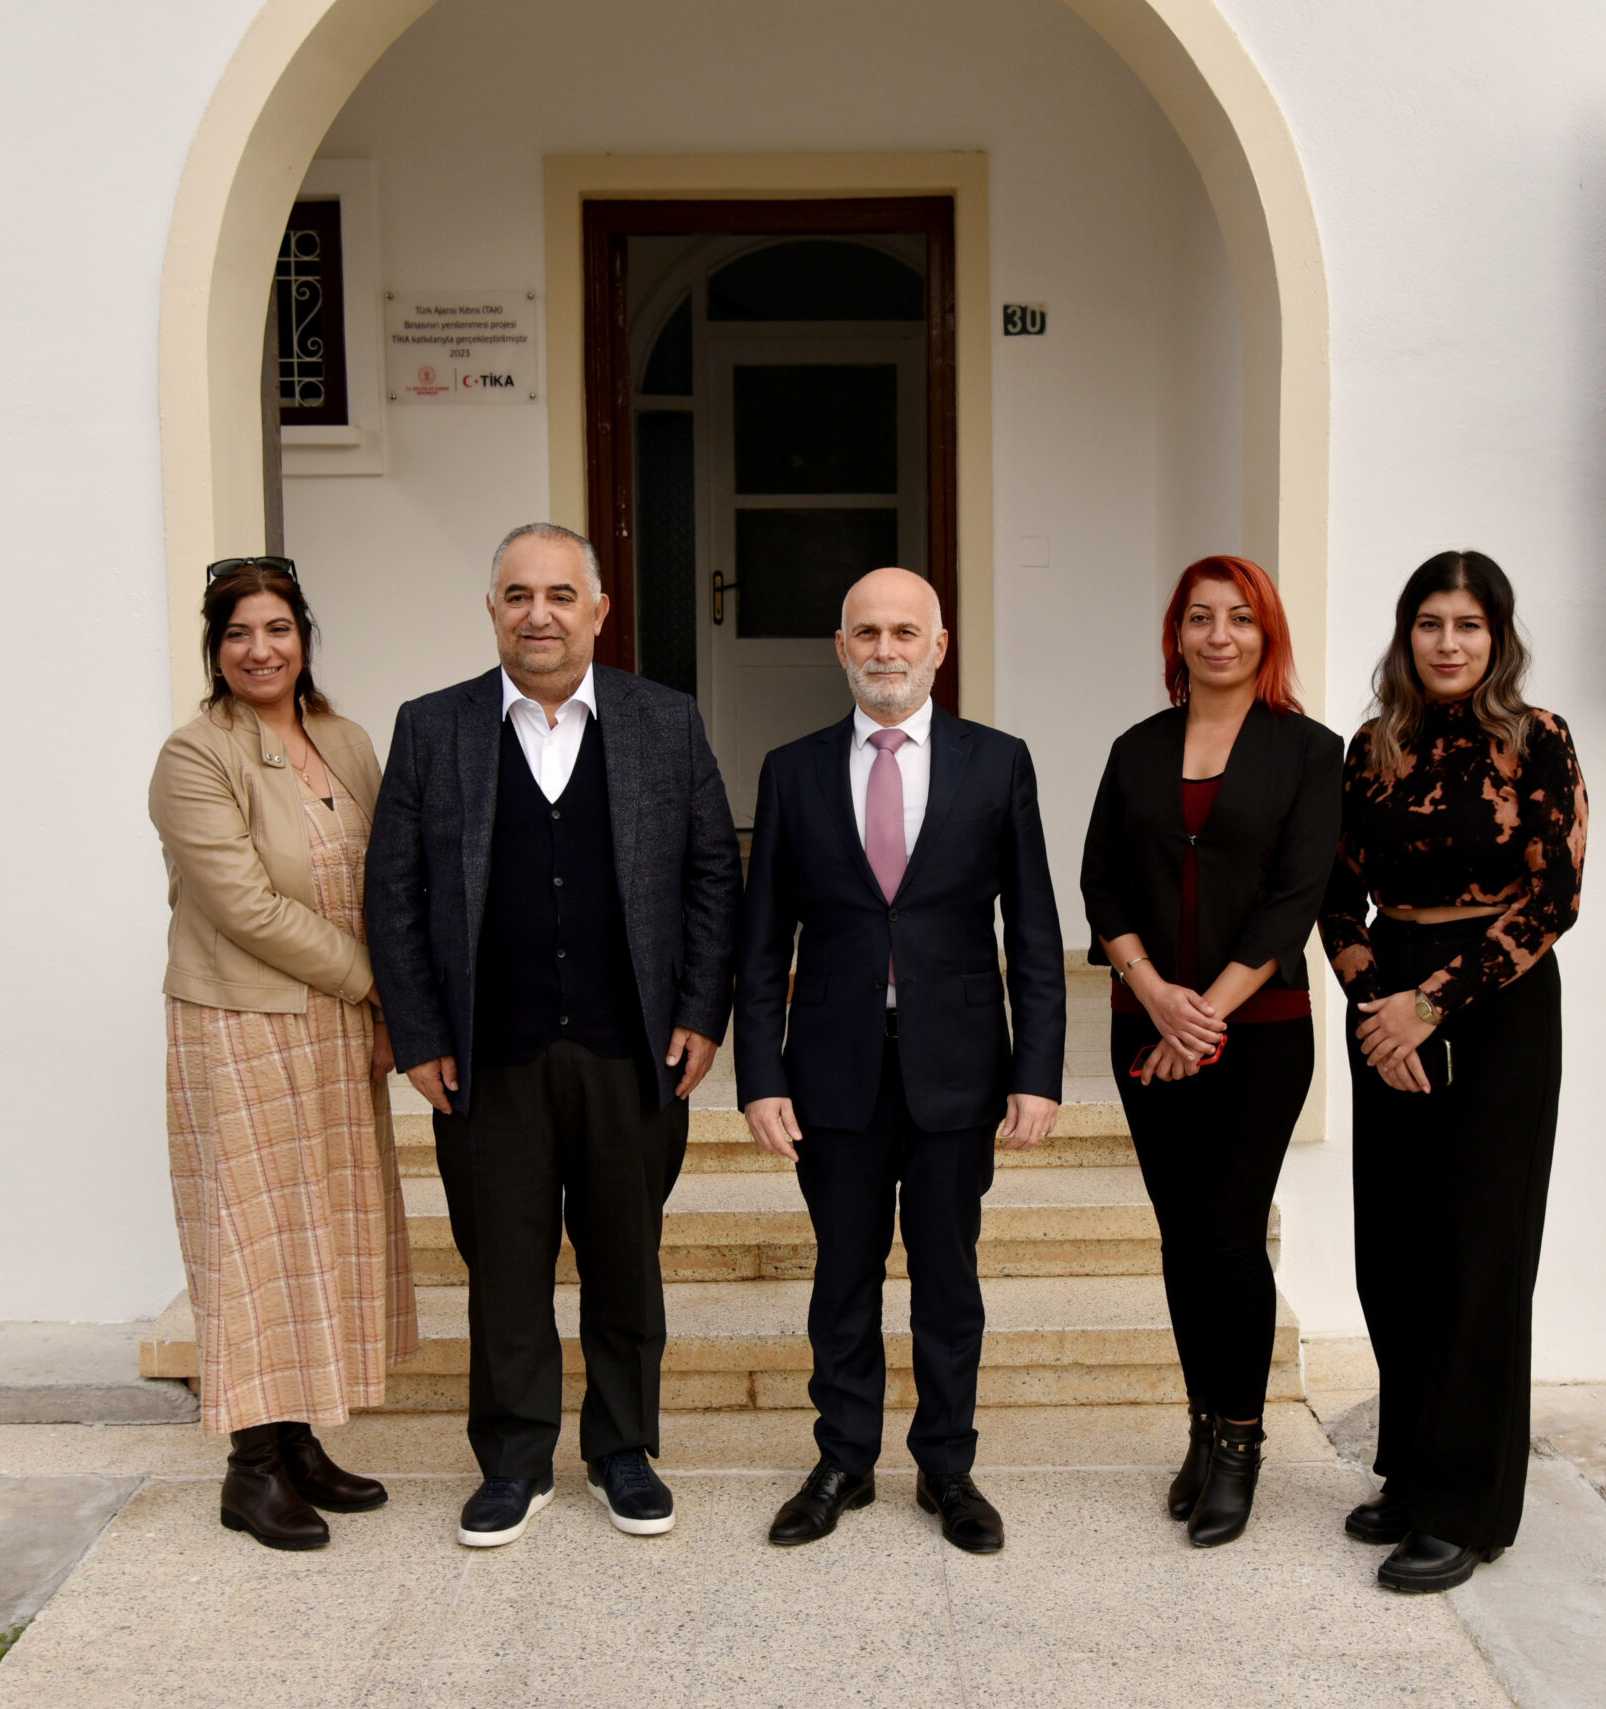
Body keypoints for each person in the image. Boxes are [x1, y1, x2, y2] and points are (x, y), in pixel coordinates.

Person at [364, 523, 739, 1549]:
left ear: (599, 611)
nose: (540, 614)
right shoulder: (431, 726)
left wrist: (701, 1011)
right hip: (486, 1056)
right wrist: (418, 1032)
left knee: (626, 1260)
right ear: (492, 609)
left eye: (561, 595)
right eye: (519, 595)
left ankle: (624, 1449)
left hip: (632, 1050)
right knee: (504, 1266)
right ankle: (514, 1460)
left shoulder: (664, 720)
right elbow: (393, 891)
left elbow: (714, 872)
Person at [737, 567, 1066, 1556]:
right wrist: (760, 1074)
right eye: (868, 632)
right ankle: (843, 1460)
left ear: (939, 646)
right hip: (830, 1069)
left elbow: (1034, 931)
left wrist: (1038, 1070)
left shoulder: (996, 762)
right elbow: (762, 942)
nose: (886, 649)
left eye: (905, 632)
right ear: (841, 647)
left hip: (957, 1069)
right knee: (842, 1275)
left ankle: (946, 1466)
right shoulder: (791, 770)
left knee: (946, 1277)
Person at [1321, 549, 1587, 1594]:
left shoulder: (1538, 740)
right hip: (1386, 1002)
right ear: (1407, 635)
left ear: (1497, 638)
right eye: (1429, 623)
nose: (1447, 642)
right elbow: (1335, 894)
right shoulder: (1371, 748)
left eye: (1468, 625)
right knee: (1393, 1250)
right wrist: (1377, 1006)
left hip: (1497, 1008)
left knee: (1480, 1253)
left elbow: (1555, 897)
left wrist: (1429, 1005)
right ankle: (1411, 1467)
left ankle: (1464, 1506)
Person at [147, 557, 418, 1552]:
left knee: (323, 1231)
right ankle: (250, 1467)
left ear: (304, 637)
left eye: (277, 628)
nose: (260, 650)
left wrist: (388, 1012)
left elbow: (390, 878)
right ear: (214, 651)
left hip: (339, 1023)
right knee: (254, 1240)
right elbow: (245, 907)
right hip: (243, 1024)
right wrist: (373, 982)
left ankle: (300, 1440)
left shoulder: (344, 739)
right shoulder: (193, 756)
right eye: (238, 634)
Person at [1077, 555, 1341, 1548]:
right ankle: (1200, 1426)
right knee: (1180, 1234)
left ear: (1267, 633)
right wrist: (1155, 995)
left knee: (1229, 1233)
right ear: (1176, 635)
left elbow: (1295, 896)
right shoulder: (1135, 748)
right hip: (1144, 1025)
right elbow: (1101, 883)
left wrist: (1206, 1018)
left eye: (1239, 617)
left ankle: (1239, 1441)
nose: (1219, 634)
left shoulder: (1308, 751)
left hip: (1260, 1033)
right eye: (1199, 617)